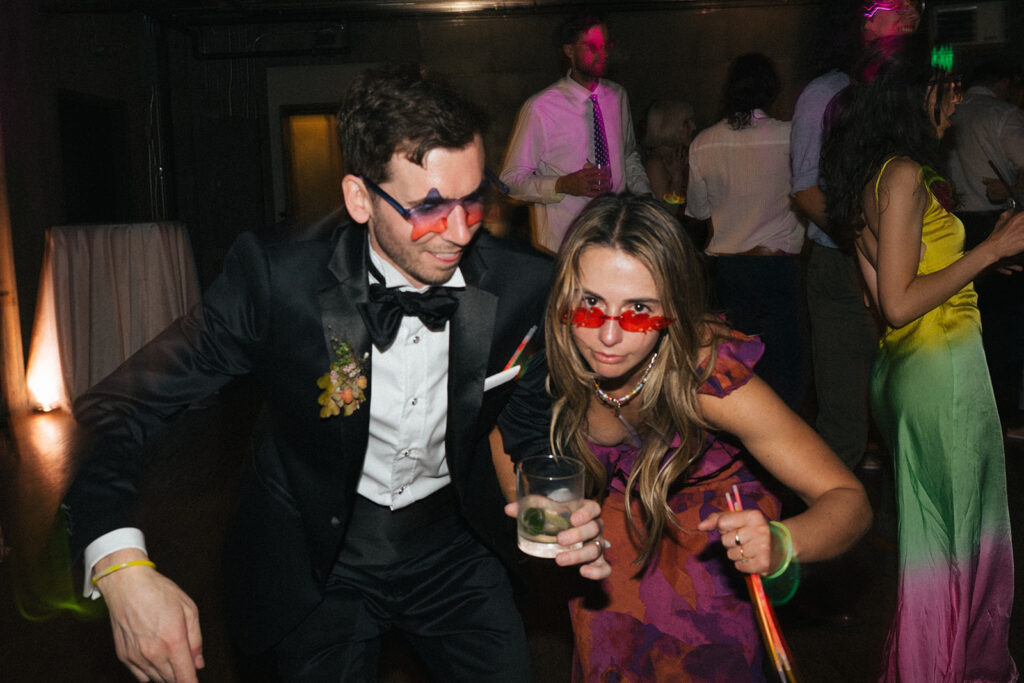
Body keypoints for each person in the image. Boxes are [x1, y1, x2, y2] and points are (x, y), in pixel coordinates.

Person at [62, 65, 608, 683]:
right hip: (318, 558)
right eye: (429, 207)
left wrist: (554, 504)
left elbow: (529, 420)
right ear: (358, 198)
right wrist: (120, 563)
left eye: (473, 200)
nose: (459, 232)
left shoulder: (522, 285)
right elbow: (120, 408)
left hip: (453, 548)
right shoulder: (278, 280)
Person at [543, 194, 872, 681]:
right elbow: (522, 476)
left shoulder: (710, 383)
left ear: (672, 309)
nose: (608, 337)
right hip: (609, 561)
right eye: (591, 303)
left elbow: (848, 500)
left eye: (638, 309)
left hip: (702, 560)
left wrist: (783, 542)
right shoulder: (545, 359)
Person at [821, 36, 1021, 680]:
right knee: (960, 537)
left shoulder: (873, 176)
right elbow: (903, 302)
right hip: (941, 368)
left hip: (910, 368)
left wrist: (974, 258)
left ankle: (935, 663)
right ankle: (949, 668)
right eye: (946, 87)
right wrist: (988, 253)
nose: (957, 96)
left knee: (935, 538)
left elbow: (882, 295)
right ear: (912, 97)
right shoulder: (903, 176)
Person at [791, 0, 920, 470]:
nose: (908, 13)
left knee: (904, 399)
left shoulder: (909, 91)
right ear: (864, 22)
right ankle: (830, 523)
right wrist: (865, 241)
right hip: (842, 262)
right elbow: (805, 187)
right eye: (894, 5)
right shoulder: (826, 92)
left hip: (907, 259)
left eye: (914, 5)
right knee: (845, 409)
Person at [686, 53, 807, 411]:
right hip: (778, 268)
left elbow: (698, 210)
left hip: (730, 270)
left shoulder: (704, 142)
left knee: (737, 369)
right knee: (785, 369)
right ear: (773, 91)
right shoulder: (790, 136)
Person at [500, 10, 652, 253]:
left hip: (615, 241)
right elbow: (510, 181)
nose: (601, 54)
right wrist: (562, 184)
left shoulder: (617, 96)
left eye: (605, 45)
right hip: (565, 247)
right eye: (591, 46)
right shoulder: (541, 108)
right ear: (569, 50)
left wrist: (645, 201)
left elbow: (629, 155)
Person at [947, 59, 1024, 425]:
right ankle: (1004, 414)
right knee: (1004, 324)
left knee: (969, 322)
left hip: (955, 226)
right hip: (999, 225)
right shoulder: (1003, 114)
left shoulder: (953, 112)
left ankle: (977, 408)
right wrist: (1011, 188)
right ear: (1005, 81)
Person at [642, 98, 695, 213]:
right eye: (686, 123)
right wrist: (677, 178)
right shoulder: (655, 163)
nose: (693, 127)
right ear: (669, 126)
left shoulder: (679, 157)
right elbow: (666, 212)